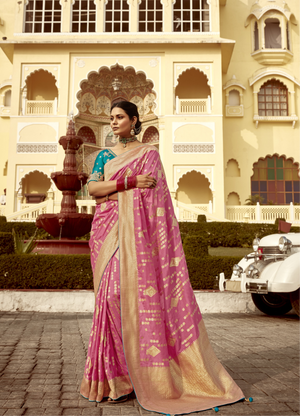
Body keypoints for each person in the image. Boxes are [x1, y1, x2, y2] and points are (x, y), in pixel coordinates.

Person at [80, 101, 244, 414]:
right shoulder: (103, 154)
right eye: (111, 118)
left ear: (134, 120)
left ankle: (138, 375)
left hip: (137, 238)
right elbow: (92, 190)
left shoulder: (149, 155)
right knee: (108, 299)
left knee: (123, 299)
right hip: (105, 234)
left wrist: (112, 191)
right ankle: (114, 380)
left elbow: (153, 200)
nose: (113, 123)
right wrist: (128, 183)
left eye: (119, 118)